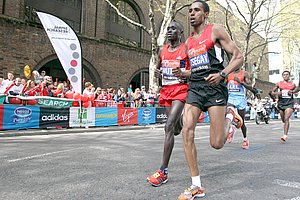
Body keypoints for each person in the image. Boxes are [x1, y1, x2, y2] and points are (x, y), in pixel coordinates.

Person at [172, 1, 244, 199]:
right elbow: (195, 70)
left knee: (217, 143)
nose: (192, 14)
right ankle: (196, 185)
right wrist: (182, 73)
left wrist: (222, 74)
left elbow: (238, 57)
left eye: (196, 10)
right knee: (187, 129)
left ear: (205, 14)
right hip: (195, 88)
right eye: (190, 11)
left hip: (215, 88)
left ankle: (230, 116)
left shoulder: (215, 31)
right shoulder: (188, 42)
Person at [146, 20, 189, 187]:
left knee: (168, 126)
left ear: (180, 32)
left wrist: (184, 73)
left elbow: (192, 71)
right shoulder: (162, 50)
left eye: (173, 29)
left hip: (180, 90)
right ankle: (182, 120)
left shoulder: (185, 49)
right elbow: (158, 69)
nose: (169, 31)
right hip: (166, 91)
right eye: (168, 29)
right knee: (176, 128)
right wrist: (157, 73)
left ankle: (163, 171)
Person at [226, 68, 253, 149]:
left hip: (240, 99)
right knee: (227, 114)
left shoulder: (244, 74)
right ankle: (230, 130)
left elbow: (250, 87)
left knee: (241, 122)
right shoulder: (228, 73)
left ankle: (245, 139)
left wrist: (241, 82)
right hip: (230, 98)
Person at [271, 70, 297, 141]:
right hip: (281, 103)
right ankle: (285, 124)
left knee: (286, 118)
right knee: (283, 119)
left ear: (289, 76)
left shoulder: (293, 84)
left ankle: (285, 135)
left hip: (289, 103)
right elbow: (272, 92)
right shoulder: (279, 84)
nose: (286, 76)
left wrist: (292, 92)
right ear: (282, 76)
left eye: (287, 74)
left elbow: (296, 94)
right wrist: (278, 93)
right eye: (284, 75)